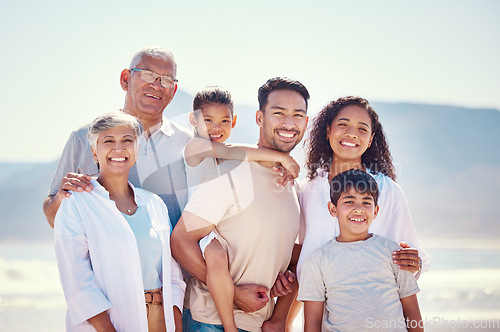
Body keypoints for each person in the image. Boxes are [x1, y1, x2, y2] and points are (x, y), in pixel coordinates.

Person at [171, 77, 309, 332]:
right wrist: (234, 294)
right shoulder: (230, 171)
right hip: (210, 323)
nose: (289, 123)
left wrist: (283, 288)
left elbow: (284, 255)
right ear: (259, 118)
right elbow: (180, 241)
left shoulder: (294, 185)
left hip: (260, 324)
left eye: (297, 115)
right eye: (279, 113)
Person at [289, 96, 430, 329]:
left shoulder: (388, 191)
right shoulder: (308, 188)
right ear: (327, 130)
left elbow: (412, 255)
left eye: (362, 129)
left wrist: (415, 262)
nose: (352, 133)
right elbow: (300, 254)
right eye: (343, 124)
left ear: (370, 139)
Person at [54, 112, 185, 332]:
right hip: (108, 325)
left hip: (159, 320)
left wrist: (175, 325)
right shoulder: (76, 204)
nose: (118, 149)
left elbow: (173, 278)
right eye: (108, 141)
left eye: (127, 140)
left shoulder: (154, 204)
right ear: (95, 151)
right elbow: (78, 285)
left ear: (137, 149)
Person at [43, 46, 192, 229]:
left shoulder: (189, 144)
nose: (157, 85)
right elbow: (53, 218)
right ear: (125, 79)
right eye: (147, 74)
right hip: (105, 257)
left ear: (173, 90)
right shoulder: (85, 136)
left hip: (166, 258)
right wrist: (61, 197)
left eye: (167, 80)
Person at [298, 169, 423, 331]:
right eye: (349, 201)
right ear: (333, 209)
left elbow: (412, 311)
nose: (359, 208)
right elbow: (313, 321)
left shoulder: (394, 253)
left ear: (376, 211)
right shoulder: (317, 261)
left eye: (366, 202)